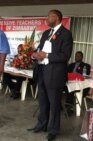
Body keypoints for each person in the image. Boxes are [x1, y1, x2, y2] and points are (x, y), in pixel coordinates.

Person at [29, 9, 73, 141]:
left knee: (54, 104)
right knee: (42, 102)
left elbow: (65, 55)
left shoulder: (66, 34)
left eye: (49, 17)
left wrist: (46, 55)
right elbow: (40, 49)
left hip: (55, 75)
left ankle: (53, 130)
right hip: (42, 72)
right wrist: (35, 54)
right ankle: (41, 125)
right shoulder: (46, 33)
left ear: (57, 18)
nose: (46, 19)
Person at [65, 51, 91, 115]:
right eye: (76, 56)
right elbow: (66, 74)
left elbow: (85, 75)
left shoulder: (86, 66)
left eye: (79, 56)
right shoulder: (71, 65)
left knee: (70, 89)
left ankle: (69, 107)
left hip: (80, 85)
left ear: (82, 57)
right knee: (59, 87)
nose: (77, 57)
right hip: (70, 83)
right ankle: (63, 106)